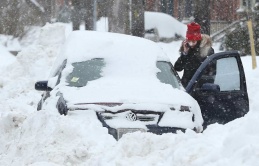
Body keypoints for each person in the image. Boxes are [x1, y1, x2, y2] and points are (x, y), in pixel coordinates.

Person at [174, 22, 214, 88]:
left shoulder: (207, 51)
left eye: (193, 41)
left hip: (201, 88)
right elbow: (177, 68)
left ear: (198, 40)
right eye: (189, 41)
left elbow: (211, 71)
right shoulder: (186, 49)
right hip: (187, 87)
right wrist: (184, 54)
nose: (191, 44)